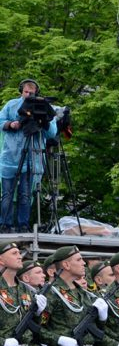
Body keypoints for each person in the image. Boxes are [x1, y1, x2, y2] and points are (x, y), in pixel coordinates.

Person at [0, 80, 59, 233]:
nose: (28, 95)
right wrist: (10, 124)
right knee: (7, 194)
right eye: (25, 92)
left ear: (36, 93)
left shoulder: (43, 106)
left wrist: (43, 122)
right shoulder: (11, 105)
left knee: (25, 195)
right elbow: (0, 121)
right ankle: (4, 225)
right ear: (21, 91)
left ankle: (23, 226)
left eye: (31, 93)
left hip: (31, 159)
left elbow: (52, 133)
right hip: (10, 158)